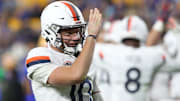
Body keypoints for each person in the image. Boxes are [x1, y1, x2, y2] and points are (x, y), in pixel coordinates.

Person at [25, 1, 102, 101]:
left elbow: (98, 96)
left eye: (77, 31)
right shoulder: (39, 55)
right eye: (69, 33)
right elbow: (76, 75)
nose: (76, 37)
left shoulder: (83, 56)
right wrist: (91, 36)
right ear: (50, 32)